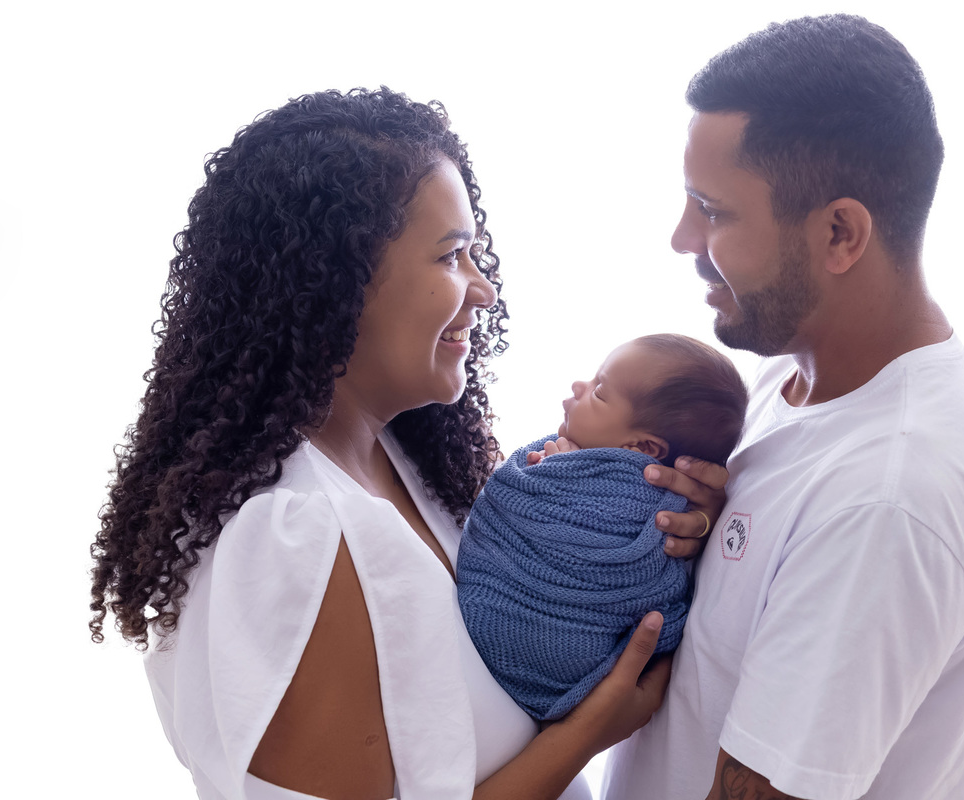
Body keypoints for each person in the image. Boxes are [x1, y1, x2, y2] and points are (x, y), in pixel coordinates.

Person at [87, 87, 725, 800]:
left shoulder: (409, 467)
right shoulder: (296, 534)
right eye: (452, 257)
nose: (484, 290)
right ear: (335, 280)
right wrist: (585, 735)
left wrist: (650, 530)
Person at [603, 15, 964, 800]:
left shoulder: (889, 494)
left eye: (713, 210)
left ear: (838, 233)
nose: (682, 238)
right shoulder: (792, 381)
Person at [457, 334, 748, 721]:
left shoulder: (662, 509)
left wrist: (552, 482)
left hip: (552, 641)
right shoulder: (575, 465)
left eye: (599, 392)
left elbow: (511, 502)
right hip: (570, 676)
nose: (580, 387)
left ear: (645, 449)